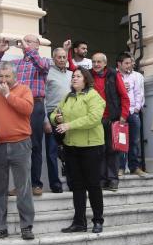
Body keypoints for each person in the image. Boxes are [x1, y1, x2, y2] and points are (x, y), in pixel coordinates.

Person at [0, 35, 49, 196]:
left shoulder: (43, 61)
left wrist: (28, 49)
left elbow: (42, 67)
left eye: (29, 41)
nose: (25, 43)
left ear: (37, 45)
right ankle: (21, 185)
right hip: (13, 103)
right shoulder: (16, 63)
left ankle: (36, 183)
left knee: (35, 145)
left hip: (34, 105)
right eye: (24, 41)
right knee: (21, 146)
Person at [51, 67, 107, 233]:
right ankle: (79, 222)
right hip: (71, 147)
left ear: (85, 79)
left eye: (78, 76)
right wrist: (57, 118)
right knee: (77, 186)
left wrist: (69, 124)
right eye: (73, 76)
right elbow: (54, 114)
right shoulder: (68, 97)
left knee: (93, 185)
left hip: (91, 147)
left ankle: (98, 220)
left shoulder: (93, 96)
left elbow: (94, 119)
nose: (74, 78)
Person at [0, 62, 36, 240]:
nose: (3, 80)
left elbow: (28, 109)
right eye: (1, 76)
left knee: (23, 187)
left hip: (20, 143)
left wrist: (7, 95)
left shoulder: (24, 90)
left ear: (15, 76)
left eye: (7, 76)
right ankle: (0, 227)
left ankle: (27, 227)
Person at [90, 53, 130, 191]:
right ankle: (101, 179)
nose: (96, 64)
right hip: (95, 120)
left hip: (112, 118)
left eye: (99, 62)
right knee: (98, 151)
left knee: (112, 150)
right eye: (94, 61)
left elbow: (124, 96)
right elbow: (72, 68)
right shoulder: (88, 75)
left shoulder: (114, 74)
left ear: (105, 63)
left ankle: (112, 180)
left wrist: (123, 116)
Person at [43, 48, 70, 193]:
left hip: (69, 116)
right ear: (53, 58)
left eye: (64, 57)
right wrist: (45, 119)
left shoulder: (72, 74)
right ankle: (55, 184)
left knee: (71, 150)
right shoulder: (47, 73)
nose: (61, 59)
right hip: (52, 114)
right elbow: (43, 96)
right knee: (52, 151)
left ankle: (73, 181)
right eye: (58, 57)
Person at [116, 53, 147, 177]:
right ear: (119, 64)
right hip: (120, 113)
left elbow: (139, 93)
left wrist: (137, 108)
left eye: (130, 63)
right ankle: (121, 167)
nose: (130, 65)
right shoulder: (114, 76)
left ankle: (135, 167)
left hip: (133, 112)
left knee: (135, 141)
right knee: (121, 141)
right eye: (127, 63)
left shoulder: (135, 76)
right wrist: (120, 87)